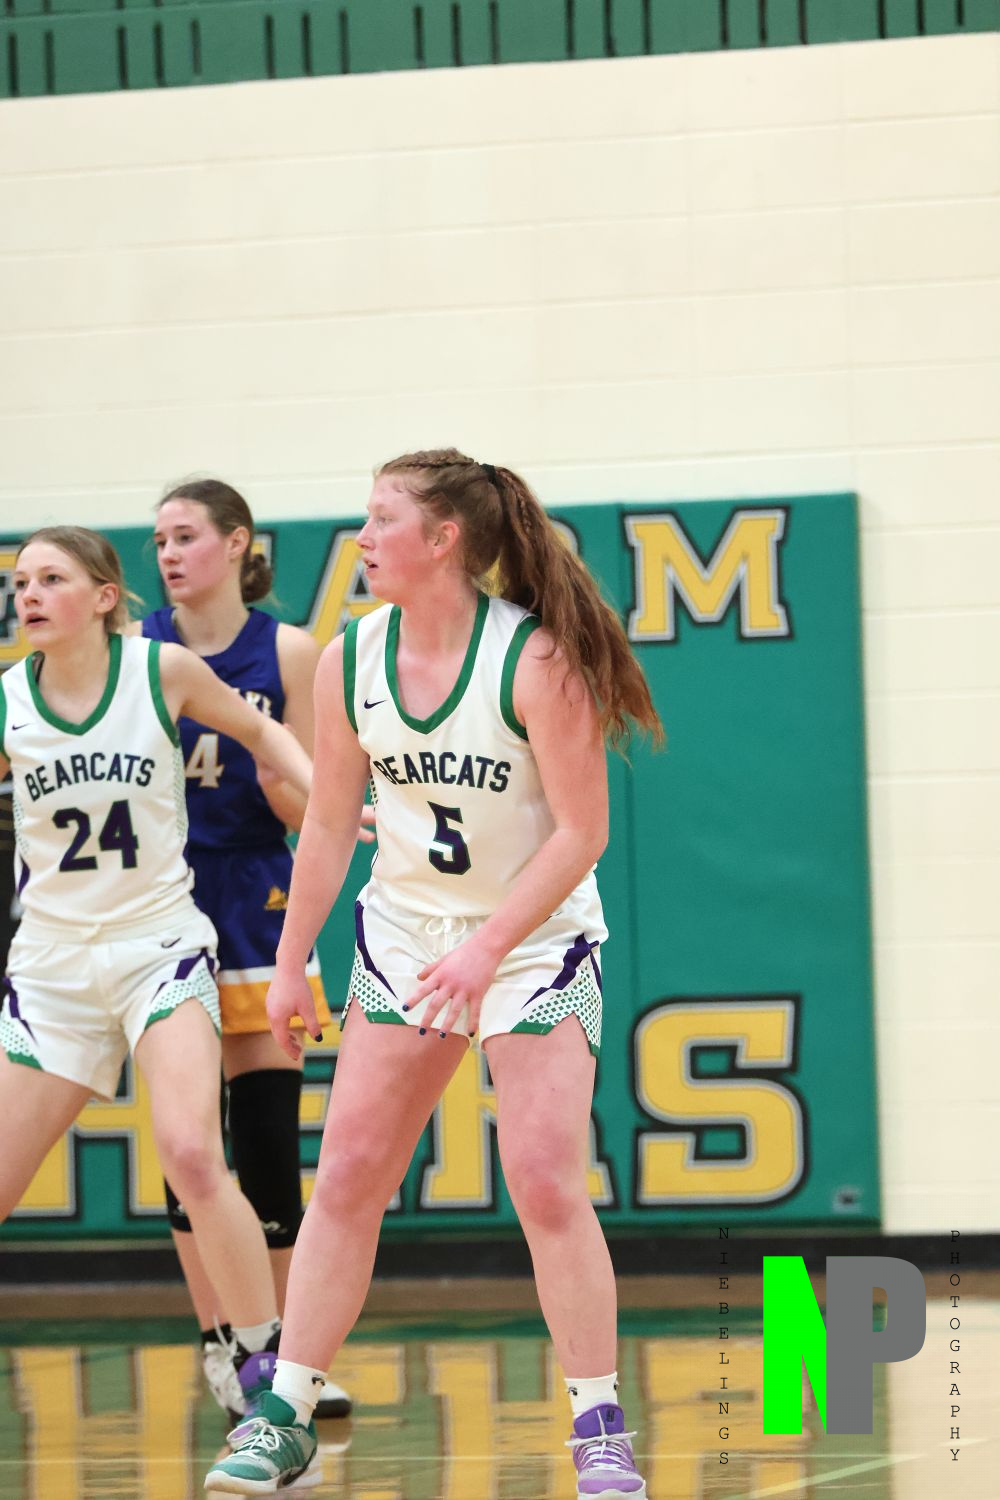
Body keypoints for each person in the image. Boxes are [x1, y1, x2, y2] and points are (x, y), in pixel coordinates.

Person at [205, 450, 662, 1497]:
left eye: (381, 519)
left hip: (529, 941)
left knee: (544, 1177)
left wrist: (487, 947)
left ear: (444, 538)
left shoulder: (534, 658)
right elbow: (330, 824)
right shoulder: (350, 658)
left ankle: (598, 1428)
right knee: (350, 1176)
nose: (361, 539)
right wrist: (290, 963)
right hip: (409, 935)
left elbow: (581, 834)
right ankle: (285, 1414)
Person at [0, 526, 314, 1410]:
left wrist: (327, 795)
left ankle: (264, 1366)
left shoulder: (158, 670)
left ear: (105, 596)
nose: (29, 595)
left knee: (190, 1151)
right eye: (20, 582)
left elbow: (260, 728)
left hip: (159, 948)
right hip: (54, 967)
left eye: (51, 578)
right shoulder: (10, 698)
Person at [140, 479, 355, 1423]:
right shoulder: (138, 649)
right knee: (190, 1143)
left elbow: (319, 808)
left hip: (261, 895)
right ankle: (223, 1346)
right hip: (166, 896)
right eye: (159, 540)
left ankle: (290, 1356)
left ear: (237, 544)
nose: (169, 554)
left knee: (268, 1141)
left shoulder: (290, 651)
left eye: (186, 536)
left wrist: (285, 793)